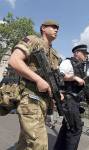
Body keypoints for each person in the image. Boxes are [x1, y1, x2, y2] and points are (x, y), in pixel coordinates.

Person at [8, 19, 61, 150]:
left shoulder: (54, 54)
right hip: (31, 99)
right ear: (43, 28)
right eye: (53, 27)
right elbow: (14, 61)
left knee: (25, 143)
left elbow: (53, 78)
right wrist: (38, 79)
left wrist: (56, 94)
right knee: (39, 145)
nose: (56, 30)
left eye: (57, 28)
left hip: (43, 102)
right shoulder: (32, 40)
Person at [53, 44, 89, 150]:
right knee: (75, 129)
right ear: (77, 53)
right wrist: (74, 78)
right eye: (84, 53)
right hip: (68, 100)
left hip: (74, 101)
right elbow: (58, 77)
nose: (86, 56)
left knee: (67, 127)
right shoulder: (67, 62)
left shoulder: (79, 66)